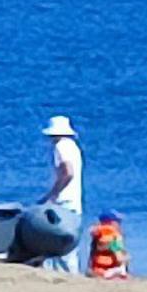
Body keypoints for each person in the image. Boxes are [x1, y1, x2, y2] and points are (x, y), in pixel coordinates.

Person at [40, 115, 83, 273]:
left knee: (54, 241)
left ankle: (64, 275)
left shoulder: (61, 147)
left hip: (63, 202)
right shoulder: (73, 146)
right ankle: (72, 274)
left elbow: (68, 172)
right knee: (69, 242)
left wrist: (52, 195)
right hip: (74, 201)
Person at [87, 209, 130, 279]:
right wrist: (127, 258)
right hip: (108, 271)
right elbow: (119, 258)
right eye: (118, 221)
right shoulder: (113, 236)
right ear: (110, 222)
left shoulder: (99, 234)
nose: (120, 224)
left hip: (96, 270)